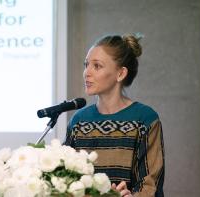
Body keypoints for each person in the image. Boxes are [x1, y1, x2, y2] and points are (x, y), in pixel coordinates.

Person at [64, 33, 165, 197]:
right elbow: (66, 179)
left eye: (96, 66)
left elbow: (150, 184)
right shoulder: (78, 120)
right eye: (86, 65)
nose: (86, 73)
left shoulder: (145, 118)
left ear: (121, 73)